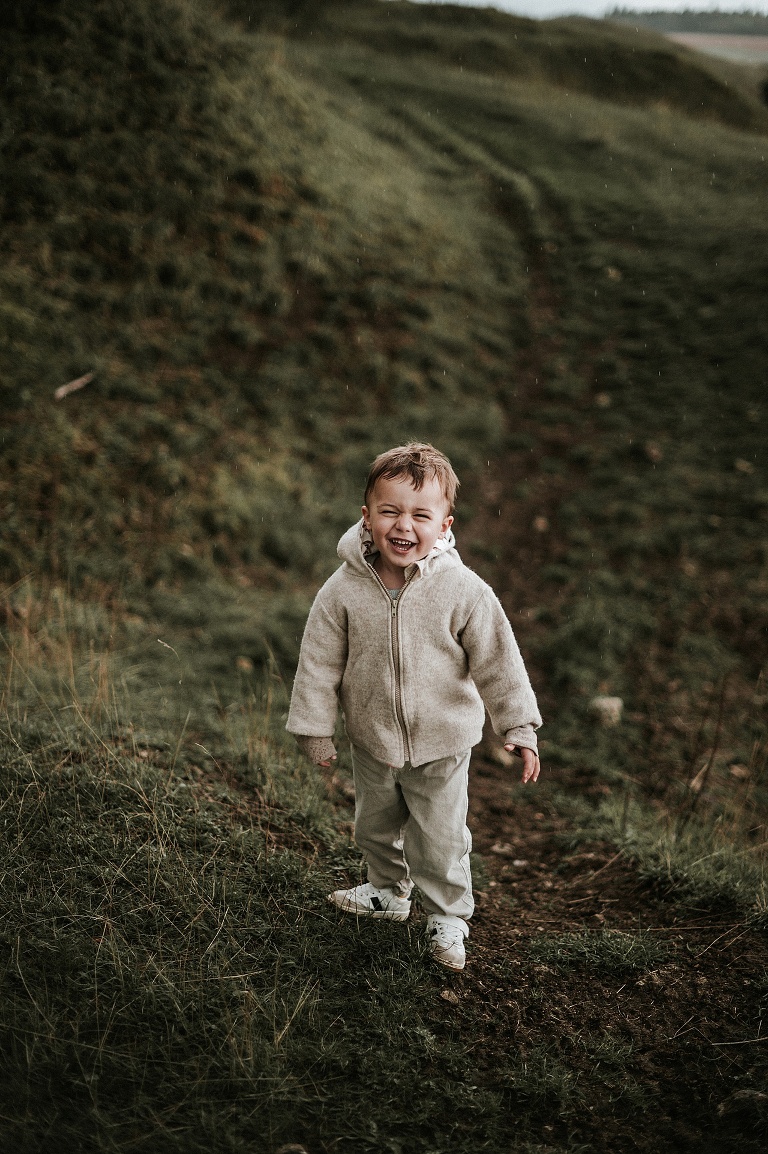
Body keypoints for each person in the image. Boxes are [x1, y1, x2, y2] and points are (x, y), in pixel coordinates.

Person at [287, 442, 541, 970]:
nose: (404, 526)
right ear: (366, 517)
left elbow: (499, 660)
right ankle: (387, 891)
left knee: (440, 835)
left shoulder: (464, 591)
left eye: (420, 515)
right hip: (372, 737)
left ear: (444, 525)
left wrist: (517, 724)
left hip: (443, 741)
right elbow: (318, 662)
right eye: (390, 511)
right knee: (374, 825)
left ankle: (447, 914)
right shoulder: (343, 591)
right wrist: (315, 728)